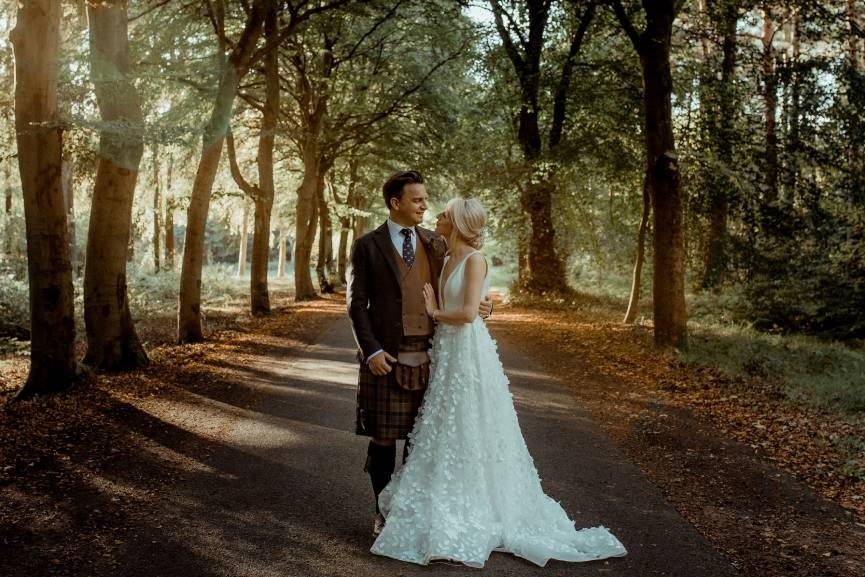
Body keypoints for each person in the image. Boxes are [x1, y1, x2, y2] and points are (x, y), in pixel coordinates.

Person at [369, 198, 628, 568]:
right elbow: (471, 305)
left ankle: (485, 506)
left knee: (473, 421)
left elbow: (469, 312)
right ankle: (447, 496)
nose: (437, 217)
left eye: (444, 214)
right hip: (447, 350)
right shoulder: (446, 257)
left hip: (468, 352)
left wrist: (435, 312)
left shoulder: (475, 260)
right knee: (447, 424)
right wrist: (452, 310)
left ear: (456, 223)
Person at [347, 171, 492, 537]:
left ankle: (408, 511)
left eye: (427, 200)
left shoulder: (435, 242)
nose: (425, 206)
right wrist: (371, 350)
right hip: (386, 357)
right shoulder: (367, 245)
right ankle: (381, 509)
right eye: (417, 200)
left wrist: (483, 304)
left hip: (431, 356)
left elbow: (463, 284)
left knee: (421, 439)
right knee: (382, 437)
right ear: (396, 203)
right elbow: (356, 306)